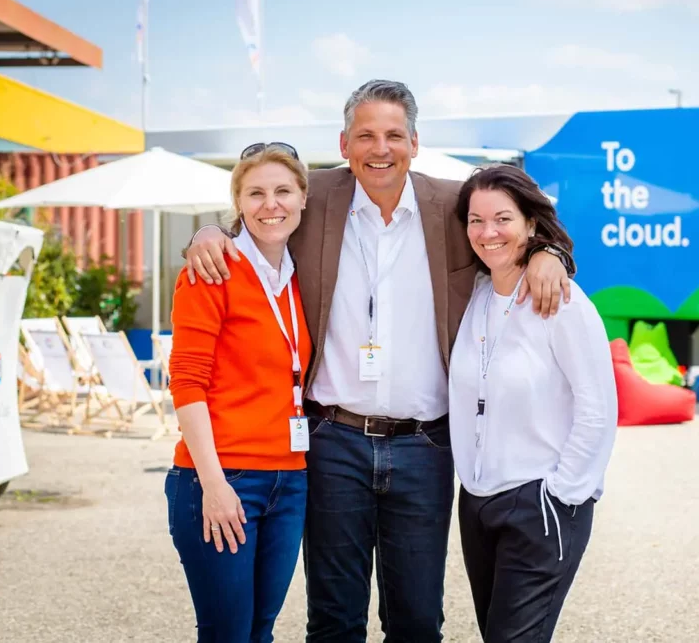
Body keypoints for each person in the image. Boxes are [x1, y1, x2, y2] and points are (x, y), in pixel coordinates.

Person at [182, 79, 576, 643]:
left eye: (394, 134)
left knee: (417, 621)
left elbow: (515, 224)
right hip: (332, 441)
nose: (380, 148)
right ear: (344, 144)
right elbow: (258, 212)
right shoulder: (313, 197)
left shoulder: (453, 205)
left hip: (426, 445)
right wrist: (207, 233)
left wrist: (549, 253)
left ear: (415, 142)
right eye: (365, 135)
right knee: (335, 619)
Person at [450, 164, 617, 643]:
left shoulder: (561, 301)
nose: (488, 233)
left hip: (540, 504)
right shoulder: (476, 295)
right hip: (478, 503)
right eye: (475, 221)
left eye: (502, 218)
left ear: (530, 224)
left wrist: (564, 493)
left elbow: (597, 407)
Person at [165, 143, 312, 642]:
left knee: (260, 632)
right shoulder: (210, 271)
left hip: (289, 482)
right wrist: (214, 485)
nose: (271, 204)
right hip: (223, 478)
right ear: (238, 204)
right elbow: (186, 381)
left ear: (303, 199)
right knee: (227, 634)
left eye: (282, 191)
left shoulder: (298, 279)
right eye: (256, 193)